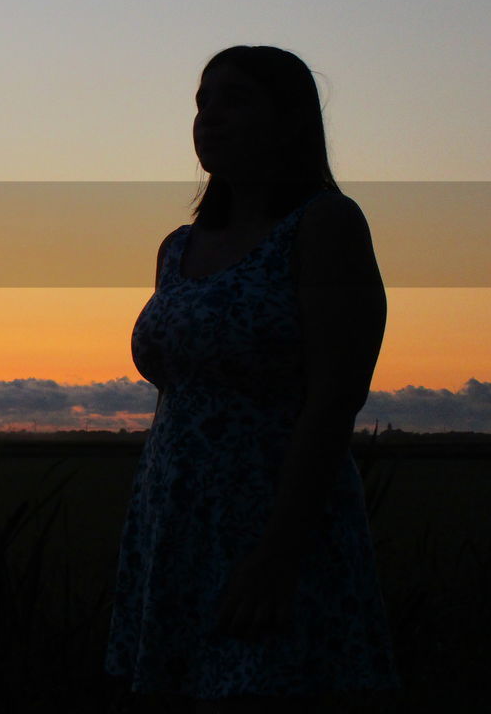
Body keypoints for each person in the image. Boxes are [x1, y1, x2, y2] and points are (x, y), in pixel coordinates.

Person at [103, 46, 403, 713]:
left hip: (275, 522)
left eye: (234, 99)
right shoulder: (178, 248)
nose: (208, 118)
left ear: (290, 119)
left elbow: (336, 395)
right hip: (174, 521)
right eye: (201, 103)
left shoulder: (324, 226)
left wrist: (277, 551)